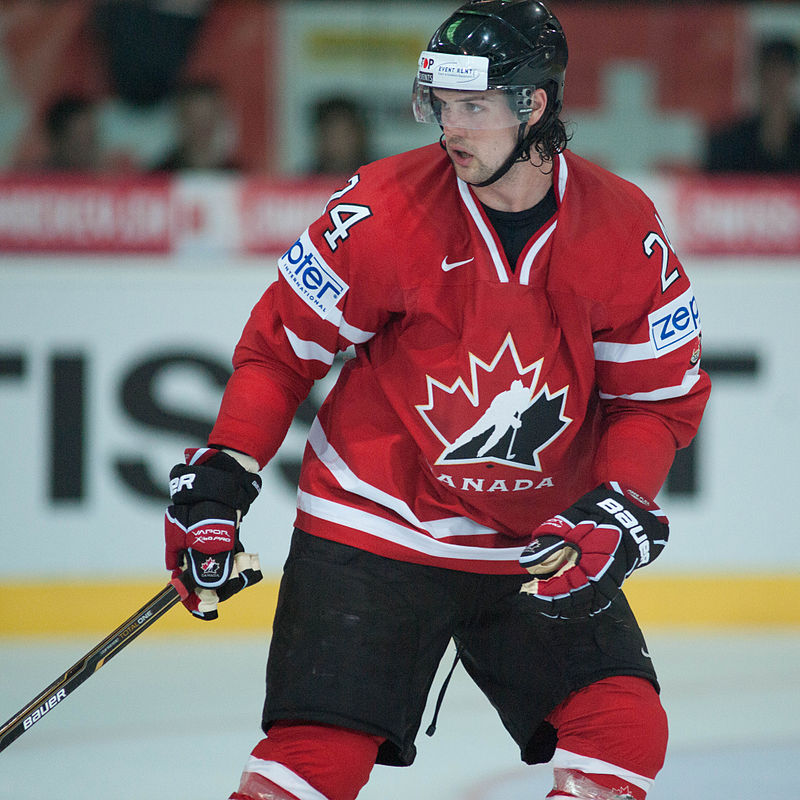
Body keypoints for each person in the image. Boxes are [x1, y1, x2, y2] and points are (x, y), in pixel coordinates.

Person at [163, 3, 710, 799]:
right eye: (443, 106)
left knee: (624, 726)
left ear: (536, 104)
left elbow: (654, 401)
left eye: (475, 106)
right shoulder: (383, 210)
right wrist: (224, 468)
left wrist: (619, 501)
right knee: (318, 757)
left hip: (534, 535)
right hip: (375, 519)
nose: (452, 128)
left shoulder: (624, 230)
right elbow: (280, 350)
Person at [705, 37, 800, 173]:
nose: (774, 79)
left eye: (781, 70)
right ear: (759, 75)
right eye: (769, 70)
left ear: (793, 75)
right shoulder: (729, 141)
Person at [152, 80, 240, 172]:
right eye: (195, 120)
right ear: (180, 120)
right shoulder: (158, 177)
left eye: (208, 119)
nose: (202, 128)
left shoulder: (238, 178)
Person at [307, 95, 371, 175]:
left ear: (361, 135)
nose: (340, 142)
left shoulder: (381, 178)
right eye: (333, 135)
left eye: (346, 134)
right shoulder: (306, 181)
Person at [42, 94, 103, 172]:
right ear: (58, 140)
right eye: (79, 142)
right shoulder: (36, 179)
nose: (88, 149)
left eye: (92, 139)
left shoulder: (107, 178)